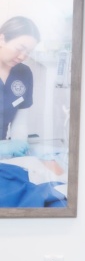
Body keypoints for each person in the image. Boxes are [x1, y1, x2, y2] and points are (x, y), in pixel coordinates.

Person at [0, 16, 39, 157]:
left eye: (28, 52)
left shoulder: (24, 73)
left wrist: (21, 148)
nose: (23, 56)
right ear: (2, 39)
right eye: (20, 48)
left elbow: (20, 122)